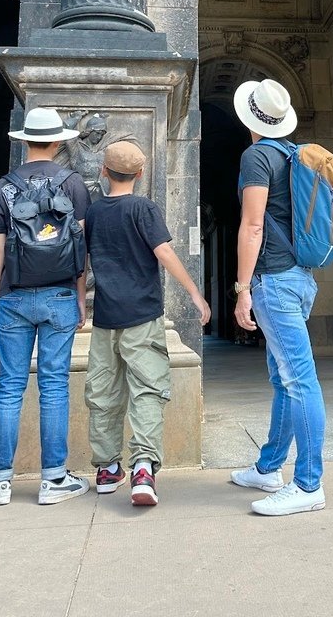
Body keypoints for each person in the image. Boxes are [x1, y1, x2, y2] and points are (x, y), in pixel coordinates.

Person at [0, 107, 91, 507]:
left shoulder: (2, 187)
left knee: (9, 387)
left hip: (13, 298)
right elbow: (80, 246)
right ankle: (54, 479)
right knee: (54, 385)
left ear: (24, 141)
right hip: (59, 297)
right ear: (58, 142)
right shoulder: (73, 184)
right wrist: (80, 296)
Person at [84, 141, 211, 506]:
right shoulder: (144, 208)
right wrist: (194, 293)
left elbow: (84, 262)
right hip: (143, 316)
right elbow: (164, 252)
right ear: (140, 174)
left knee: (103, 392)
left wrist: (80, 302)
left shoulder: (93, 214)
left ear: (104, 172)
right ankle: (143, 467)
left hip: (105, 318)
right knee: (147, 390)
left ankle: (108, 468)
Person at [230, 79, 326, 516]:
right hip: (301, 278)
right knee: (284, 377)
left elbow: (252, 226)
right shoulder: (292, 154)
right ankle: (269, 467)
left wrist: (241, 288)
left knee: (299, 380)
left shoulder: (257, 156)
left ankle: (308, 486)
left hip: (275, 280)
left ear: (248, 117)